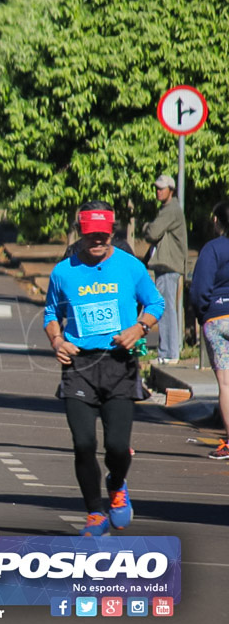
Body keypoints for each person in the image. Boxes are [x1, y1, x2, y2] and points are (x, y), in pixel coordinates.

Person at [43, 202, 164, 536]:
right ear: (81, 232)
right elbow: (51, 313)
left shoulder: (130, 267)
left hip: (119, 364)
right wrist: (57, 342)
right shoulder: (63, 271)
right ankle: (95, 513)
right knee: (83, 442)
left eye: (103, 233)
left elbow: (156, 303)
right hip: (79, 363)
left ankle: (117, 482)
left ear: (112, 231)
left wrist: (139, 328)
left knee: (116, 446)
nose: (97, 239)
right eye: (90, 233)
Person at [189, 200, 229, 460]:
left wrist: (204, 314)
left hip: (219, 316)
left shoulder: (213, 249)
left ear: (217, 221)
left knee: (226, 384)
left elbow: (200, 288)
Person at [143, 174, 188, 364]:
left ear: (171, 190)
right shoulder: (168, 209)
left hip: (169, 266)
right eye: (157, 188)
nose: (158, 191)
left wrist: (146, 226)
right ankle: (167, 352)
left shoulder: (170, 210)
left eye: (162, 188)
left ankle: (169, 354)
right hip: (166, 266)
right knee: (166, 308)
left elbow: (152, 232)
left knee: (165, 309)